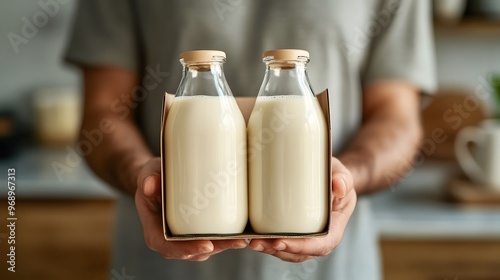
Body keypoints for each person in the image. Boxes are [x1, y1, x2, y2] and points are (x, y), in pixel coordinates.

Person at [65, 0, 435, 279]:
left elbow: (397, 118)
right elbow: (103, 113)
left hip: (335, 268)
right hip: (162, 263)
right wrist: (146, 179)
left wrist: (343, 180)